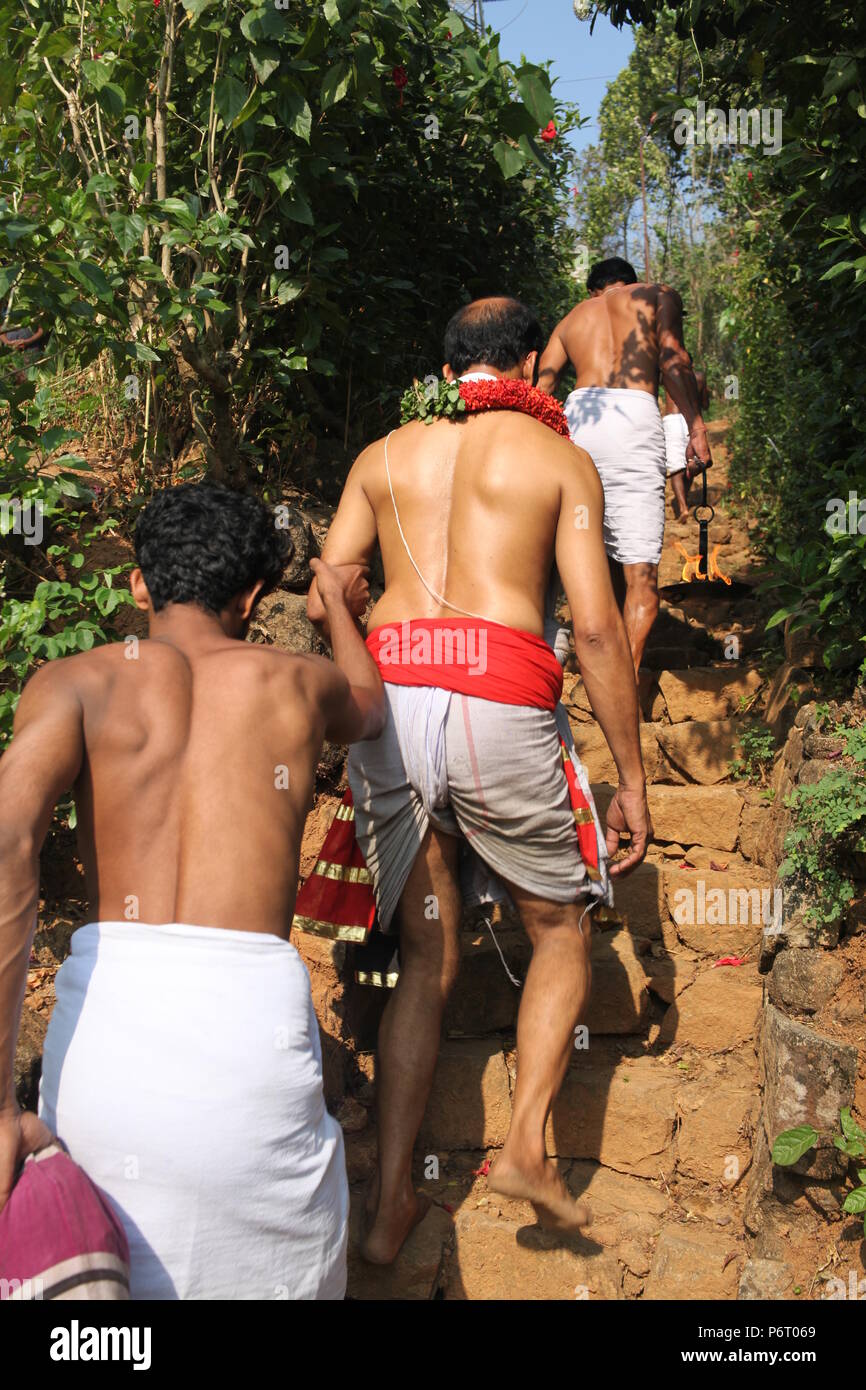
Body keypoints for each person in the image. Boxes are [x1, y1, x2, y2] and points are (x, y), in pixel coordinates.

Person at [305, 296, 651, 1264]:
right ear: (533, 362)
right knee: (557, 926)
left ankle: (385, 1211)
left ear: (447, 363)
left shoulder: (381, 454)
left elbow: (327, 586)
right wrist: (627, 774)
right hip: (498, 692)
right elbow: (589, 627)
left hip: (391, 696)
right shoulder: (557, 460)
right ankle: (528, 1148)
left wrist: (367, 654)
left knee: (425, 955)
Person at [0, 482, 386, 1299]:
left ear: (138, 583)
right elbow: (374, 708)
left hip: (105, 1061)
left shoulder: (70, 683)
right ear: (251, 597)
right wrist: (337, 613)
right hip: (250, 1056)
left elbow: (7, 840)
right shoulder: (296, 682)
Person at [537, 258, 712, 674]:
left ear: (593, 291)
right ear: (630, 283)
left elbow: (542, 386)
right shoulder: (658, 295)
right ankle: (624, 686)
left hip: (579, 419)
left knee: (592, 549)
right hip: (633, 416)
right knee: (640, 574)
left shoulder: (572, 318)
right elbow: (673, 362)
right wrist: (695, 425)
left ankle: (594, 662)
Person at [664, 360, 711, 521]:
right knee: (692, 461)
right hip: (692, 421)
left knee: (676, 467)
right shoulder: (698, 377)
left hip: (672, 419)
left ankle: (683, 507)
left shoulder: (668, 375)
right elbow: (705, 404)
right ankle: (687, 497)